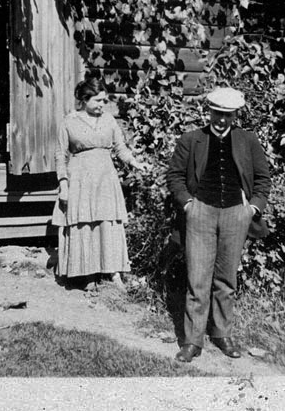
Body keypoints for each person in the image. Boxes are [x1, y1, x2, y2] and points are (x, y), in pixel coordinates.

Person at [166, 86, 271, 362]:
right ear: (209, 111)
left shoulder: (247, 140)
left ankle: (222, 334)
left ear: (235, 115)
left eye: (228, 115)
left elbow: (263, 179)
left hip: (236, 214)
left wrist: (252, 209)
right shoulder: (192, 140)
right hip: (201, 213)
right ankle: (192, 341)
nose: (222, 120)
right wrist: (188, 205)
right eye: (217, 113)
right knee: (197, 279)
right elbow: (175, 177)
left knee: (226, 279)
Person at [51, 78, 148, 291]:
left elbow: (120, 148)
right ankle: (88, 274)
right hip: (80, 179)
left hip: (105, 178)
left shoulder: (109, 120)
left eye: (104, 100)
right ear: (84, 99)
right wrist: (63, 185)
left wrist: (134, 162)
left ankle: (114, 274)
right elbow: (60, 155)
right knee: (84, 224)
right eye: (98, 100)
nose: (102, 105)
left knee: (108, 222)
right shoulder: (69, 121)